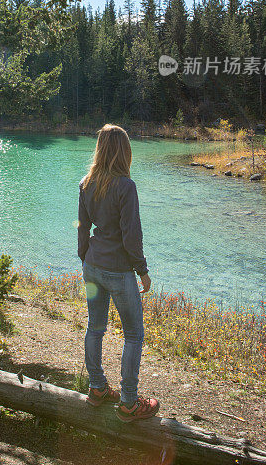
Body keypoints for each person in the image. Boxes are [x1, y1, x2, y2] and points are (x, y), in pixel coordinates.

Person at [78, 123, 160, 422]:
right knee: (134, 335)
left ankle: (97, 388)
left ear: (100, 150)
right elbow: (131, 236)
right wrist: (143, 271)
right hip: (119, 270)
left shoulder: (86, 183)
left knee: (95, 327)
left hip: (92, 265)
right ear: (124, 151)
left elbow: (83, 227)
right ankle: (128, 403)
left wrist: (84, 257)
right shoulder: (126, 186)